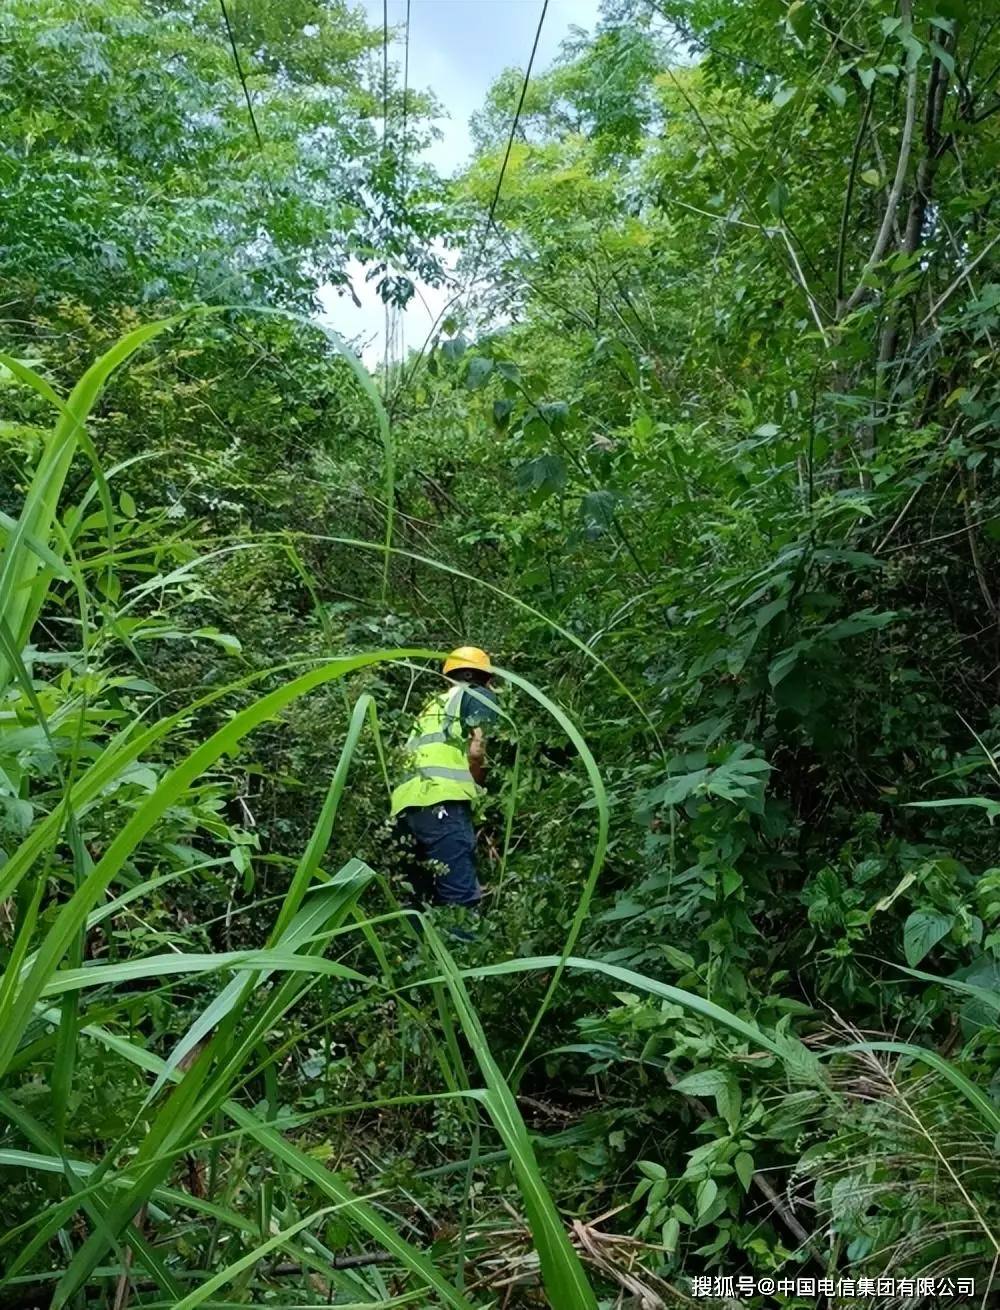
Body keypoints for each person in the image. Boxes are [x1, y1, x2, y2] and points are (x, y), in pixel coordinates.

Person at [390, 646, 498, 917]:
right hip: (443, 804)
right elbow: (478, 749)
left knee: (416, 903)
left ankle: (419, 956)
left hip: (403, 810)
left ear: (447, 678)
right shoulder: (478, 696)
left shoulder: (431, 708)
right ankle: (460, 959)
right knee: (459, 902)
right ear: (487, 678)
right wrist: (480, 787)